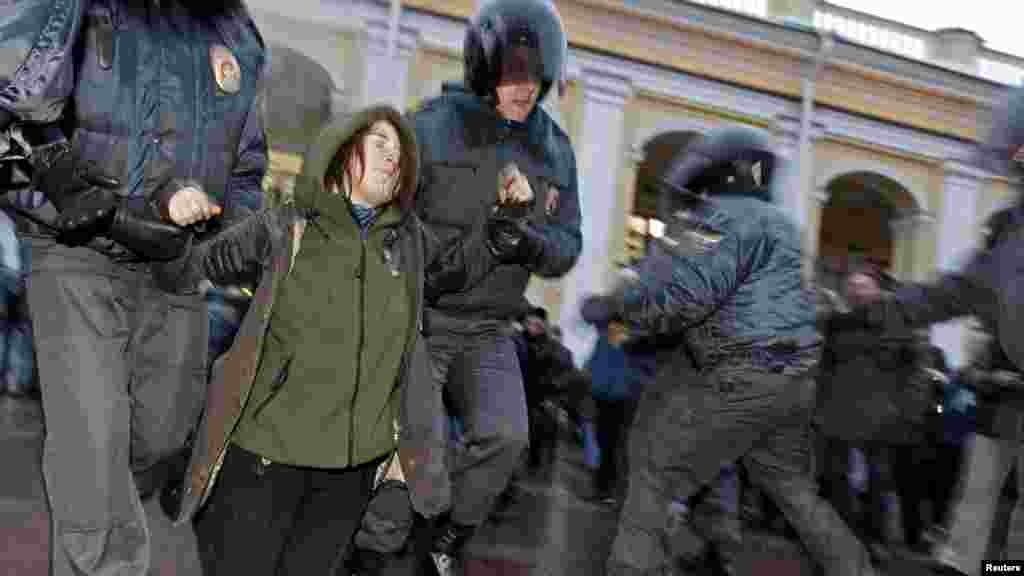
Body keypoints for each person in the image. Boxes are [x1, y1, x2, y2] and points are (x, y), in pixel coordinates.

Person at [0, 2, 266, 574]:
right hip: (75, 255)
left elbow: (247, 170)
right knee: (91, 446)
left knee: (163, 437)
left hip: (177, 264)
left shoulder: (238, 34)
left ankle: (92, 510)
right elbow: (9, 129)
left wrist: (229, 235)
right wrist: (86, 201)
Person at [582, 125, 876, 576]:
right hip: (791, 379)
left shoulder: (708, 221)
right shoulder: (783, 226)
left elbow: (671, 293)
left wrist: (608, 309)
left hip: (736, 372)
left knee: (654, 475)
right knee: (791, 488)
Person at [408, 0, 581, 571]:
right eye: (512, 75)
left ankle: (448, 533)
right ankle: (374, 544)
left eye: (536, 77)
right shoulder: (432, 126)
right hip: (422, 318)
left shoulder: (554, 150)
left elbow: (567, 246)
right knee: (414, 448)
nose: (525, 89)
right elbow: (387, 217)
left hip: (488, 327)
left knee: (507, 438)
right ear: (483, 67)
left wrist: (531, 244)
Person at [845, 87, 1024, 576]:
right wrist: (884, 310)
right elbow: (957, 290)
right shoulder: (1009, 229)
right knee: (973, 522)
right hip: (1003, 400)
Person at [817, 266, 936, 560]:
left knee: (879, 483)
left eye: (863, 285)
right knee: (835, 480)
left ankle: (872, 541)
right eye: (852, 285)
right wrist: (817, 407)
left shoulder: (902, 323)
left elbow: (917, 371)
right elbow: (823, 368)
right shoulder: (834, 324)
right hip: (838, 413)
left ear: (878, 289)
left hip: (882, 417)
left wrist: (908, 411)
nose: (856, 291)